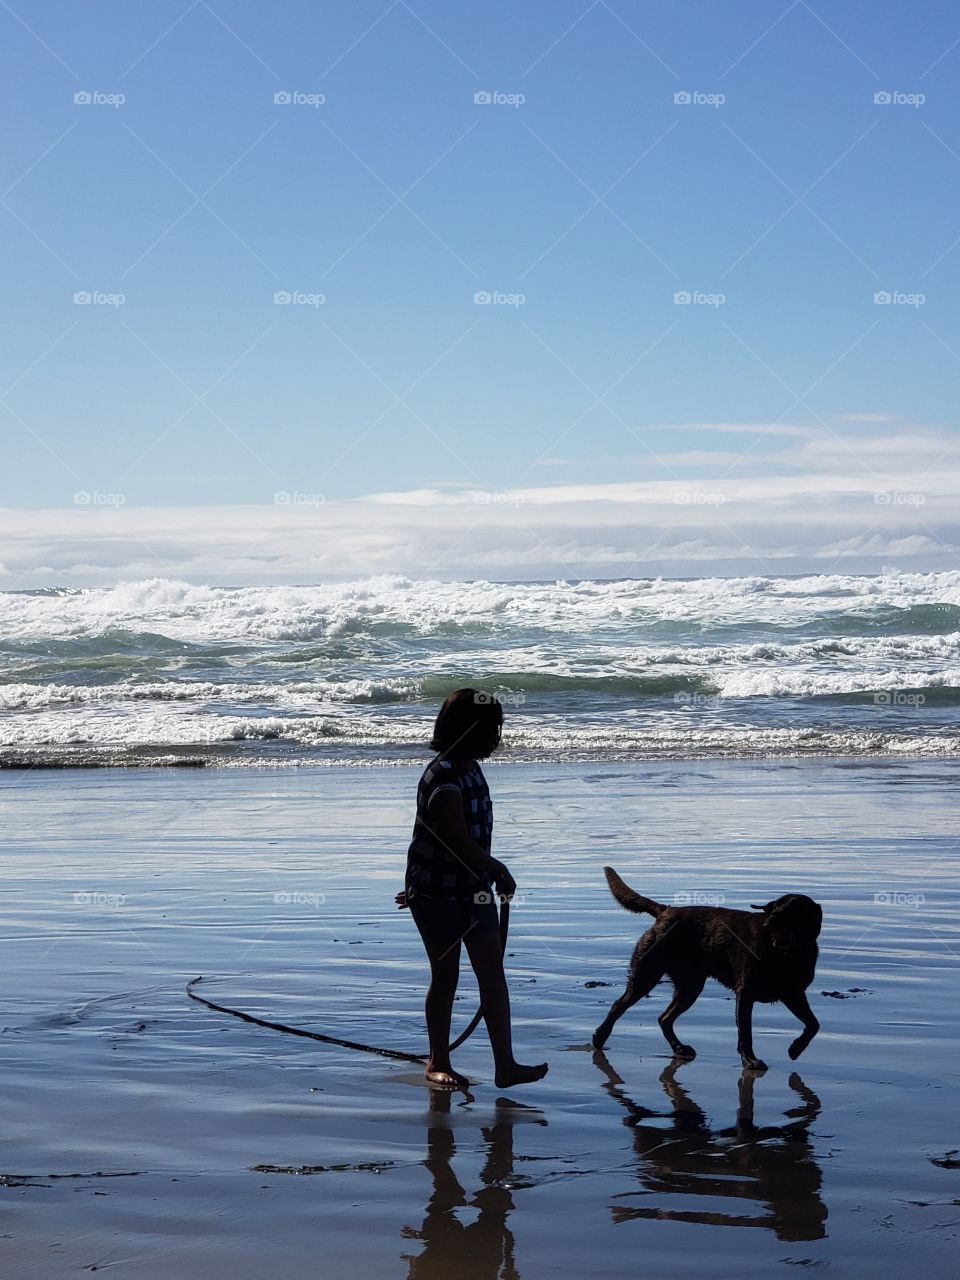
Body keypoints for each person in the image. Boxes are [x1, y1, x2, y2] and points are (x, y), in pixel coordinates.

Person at [396, 688, 548, 1090]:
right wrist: (497, 868)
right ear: (471, 730)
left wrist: (487, 874)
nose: (498, 737)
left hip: (474, 890)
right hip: (436, 893)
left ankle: (506, 1065)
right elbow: (453, 839)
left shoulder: (469, 768)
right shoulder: (444, 774)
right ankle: (437, 1061)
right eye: (493, 729)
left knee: (492, 975)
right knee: (445, 976)